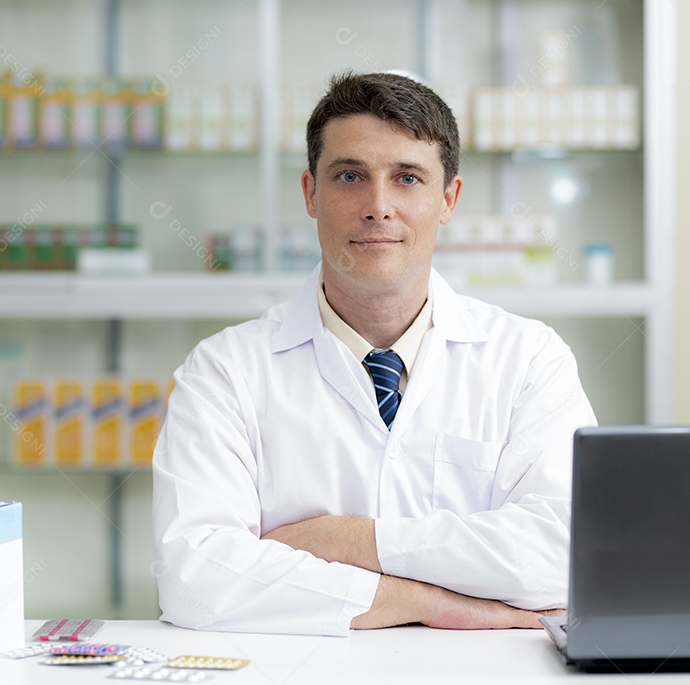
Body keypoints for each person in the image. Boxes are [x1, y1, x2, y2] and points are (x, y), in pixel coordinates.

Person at [151, 70, 597, 636]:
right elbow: (195, 579)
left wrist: (347, 540)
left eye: (407, 178)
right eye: (350, 176)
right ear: (311, 194)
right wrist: (429, 603)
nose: (378, 206)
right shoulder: (225, 371)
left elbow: (569, 553)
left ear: (448, 199)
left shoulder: (528, 359)